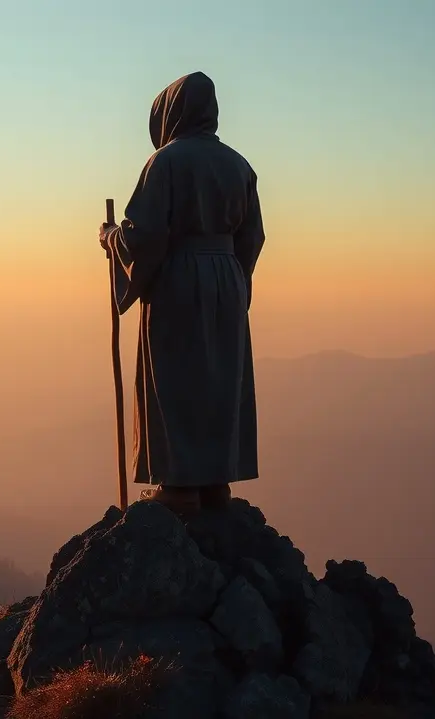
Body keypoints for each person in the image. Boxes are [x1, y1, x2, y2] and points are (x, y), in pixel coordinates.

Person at [99, 71, 265, 516]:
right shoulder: (238, 165)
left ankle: (178, 486)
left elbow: (146, 235)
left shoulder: (165, 163)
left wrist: (112, 238)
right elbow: (253, 237)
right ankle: (214, 482)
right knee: (216, 381)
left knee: (174, 380)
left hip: (177, 281)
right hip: (226, 281)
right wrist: (234, 280)